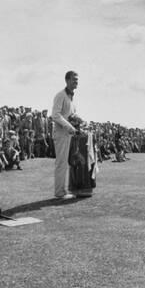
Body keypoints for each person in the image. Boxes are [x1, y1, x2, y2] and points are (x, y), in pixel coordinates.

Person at [51, 71, 79, 199]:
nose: (76, 82)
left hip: (69, 135)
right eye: (74, 79)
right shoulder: (60, 95)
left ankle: (64, 189)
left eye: (77, 80)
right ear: (67, 80)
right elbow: (55, 115)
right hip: (61, 134)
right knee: (61, 163)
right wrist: (69, 126)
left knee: (66, 163)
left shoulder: (71, 98)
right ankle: (59, 192)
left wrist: (82, 122)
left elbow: (72, 115)